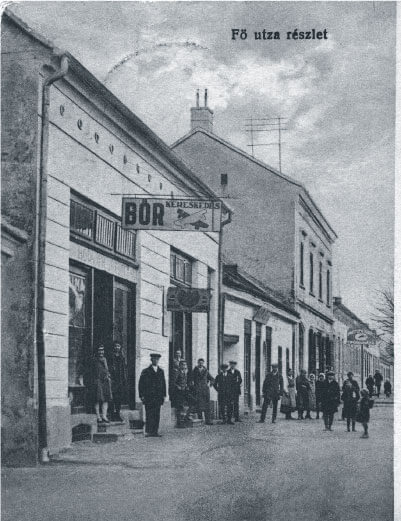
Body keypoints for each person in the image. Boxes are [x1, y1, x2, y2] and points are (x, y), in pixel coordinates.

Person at [138, 353, 166, 437]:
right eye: (154, 359)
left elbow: (163, 384)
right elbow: (141, 384)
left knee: (157, 414)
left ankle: (155, 431)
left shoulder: (161, 371)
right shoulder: (146, 371)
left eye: (157, 359)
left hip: (158, 396)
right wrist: (141, 395)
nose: (156, 361)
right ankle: (149, 431)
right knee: (149, 413)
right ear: (151, 360)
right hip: (149, 396)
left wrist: (164, 395)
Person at [92, 344, 112, 423]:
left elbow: (107, 369)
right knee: (97, 399)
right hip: (98, 381)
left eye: (102, 350)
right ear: (97, 351)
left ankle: (104, 416)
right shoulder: (94, 360)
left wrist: (108, 375)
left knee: (106, 399)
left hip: (105, 381)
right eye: (99, 350)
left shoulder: (105, 359)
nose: (101, 352)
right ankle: (98, 416)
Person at [191, 358, 214, 425]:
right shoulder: (195, 370)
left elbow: (212, 379)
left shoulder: (206, 370)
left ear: (203, 363)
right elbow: (191, 379)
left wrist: (210, 384)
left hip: (205, 390)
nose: (201, 364)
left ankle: (208, 420)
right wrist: (193, 385)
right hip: (197, 390)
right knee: (199, 405)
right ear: (198, 363)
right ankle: (200, 420)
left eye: (202, 363)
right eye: (199, 363)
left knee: (207, 406)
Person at [109, 342, 127, 422]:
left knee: (118, 398)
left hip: (120, 380)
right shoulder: (111, 357)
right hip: (113, 380)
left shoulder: (122, 358)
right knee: (112, 398)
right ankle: (112, 414)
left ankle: (118, 414)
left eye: (118, 346)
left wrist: (124, 380)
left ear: (120, 347)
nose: (117, 347)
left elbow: (123, 369)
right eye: (115, 346)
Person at [173, 360, 194, 427]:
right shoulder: (177, 373)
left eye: (185, 365)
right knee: (180, 406)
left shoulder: (185, 372)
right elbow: (173, 382)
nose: (184, 366)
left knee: (193, 401)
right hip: (179, 392)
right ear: (180, 366)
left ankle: (186, 417)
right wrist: (178, 386)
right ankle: (180, 423)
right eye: (182, 365)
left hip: (185, 391)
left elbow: (187, 381)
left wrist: (187, 386)